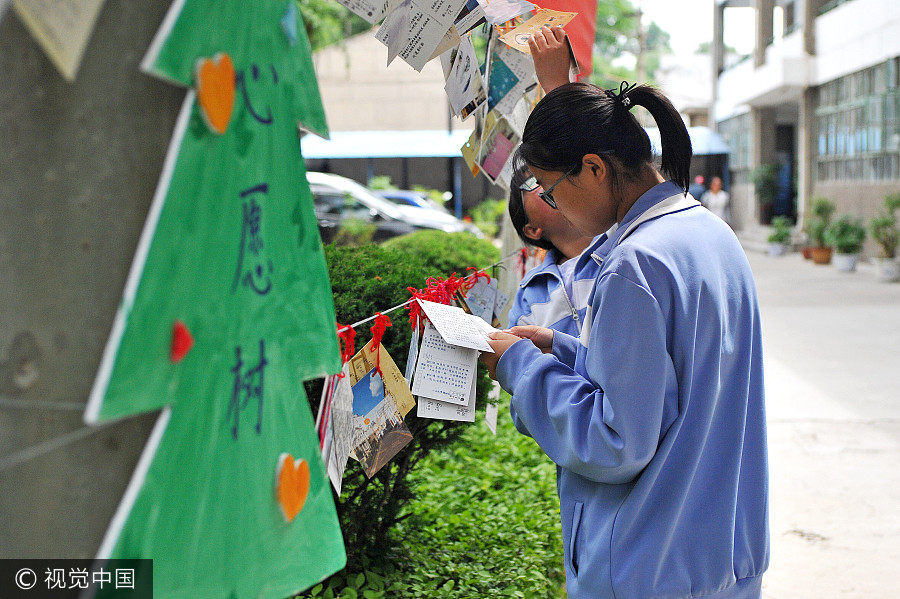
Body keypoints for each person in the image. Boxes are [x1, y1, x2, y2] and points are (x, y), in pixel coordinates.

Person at [480, 79, 769, 598]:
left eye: (550, 189)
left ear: (593, 168)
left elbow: (616, 443)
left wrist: (521, 367)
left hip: (647, 564)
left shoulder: (635, 263)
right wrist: (561, 347)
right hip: (719, 559)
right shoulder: (709, 232)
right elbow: (679, 383)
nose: (553, 206)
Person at [507, 165, 604, 337]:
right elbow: (519, 354)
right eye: (535, 181)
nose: (550, 184)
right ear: (532, 230)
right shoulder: (531, 291)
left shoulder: (616, 247)